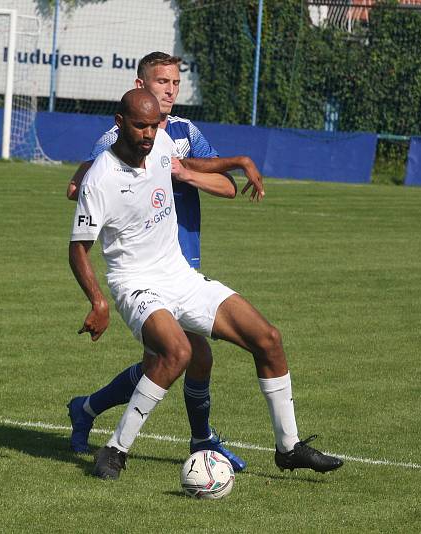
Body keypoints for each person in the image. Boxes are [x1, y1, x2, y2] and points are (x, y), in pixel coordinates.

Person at [69, 88, 343, 480]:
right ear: (120, 124)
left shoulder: (161, 142)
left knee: (267, 338)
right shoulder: (102, 178)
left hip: (180, 276)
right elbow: (78, 249)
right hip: (136, 284)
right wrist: (97, 301)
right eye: (140, 125)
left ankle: (289, 447)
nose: (149, 133)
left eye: (153, 125)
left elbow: (187, 162)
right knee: (177, 352)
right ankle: (115, 450)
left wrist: (240, 161)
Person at [66, 52, 263, 472]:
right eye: (161, 82)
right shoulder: (118, 139)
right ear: (140, 87)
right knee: (174, 357)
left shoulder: (185, 132)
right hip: (143, 270)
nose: (170, 90)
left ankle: (93, 412)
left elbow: (226, 187)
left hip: (183, 258)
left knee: (178, 358)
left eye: (175, 82)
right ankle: (195, 441)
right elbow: (89, 176)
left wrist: (187, 174)